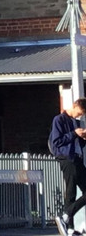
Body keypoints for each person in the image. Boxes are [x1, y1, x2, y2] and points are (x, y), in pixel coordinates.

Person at [51, 97, 86, 236]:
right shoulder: (59, 120)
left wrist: (82, 137)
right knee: (70, 191)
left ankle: (67, 217)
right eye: (80, 112)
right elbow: (57, 141)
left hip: (77, 158)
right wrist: (73, 134)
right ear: (74, 106)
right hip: (66, 158)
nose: (80, 115)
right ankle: (68, 225)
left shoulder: (76, 122)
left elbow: (77, 144)